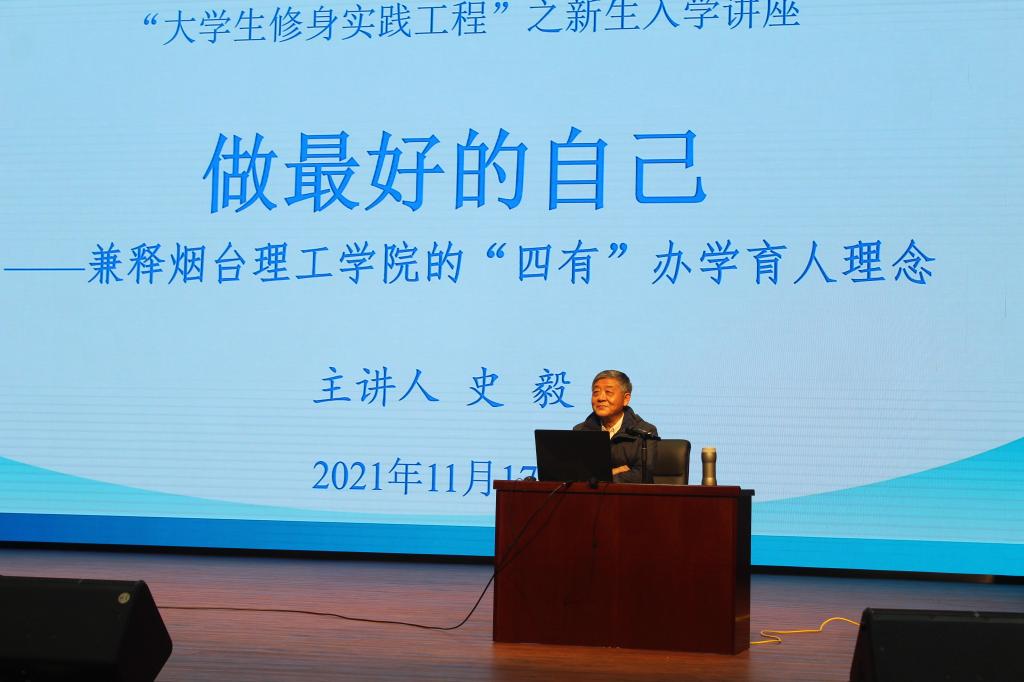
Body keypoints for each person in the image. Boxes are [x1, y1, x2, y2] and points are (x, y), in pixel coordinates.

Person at [572, 370, 658, 483]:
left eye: (608, 392)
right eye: (596, 392)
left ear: (626, 399)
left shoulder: (644, 432)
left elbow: (642, 475)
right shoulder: (580, 431)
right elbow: (574, 474)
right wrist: (613, 472)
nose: (601, 398)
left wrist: (599, 478)